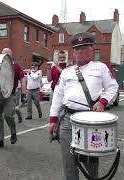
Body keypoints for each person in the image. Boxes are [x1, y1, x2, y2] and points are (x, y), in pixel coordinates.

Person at [48, 32, 118, 180]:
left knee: (90, 161)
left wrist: (102, 101)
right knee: (68, 161)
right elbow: (58, 97)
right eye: (77, 48)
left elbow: (113, 87)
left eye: (84, 48)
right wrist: (53, 119)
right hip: (67, 120)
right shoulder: (66, 72)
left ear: (91, 49)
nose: (80, 51)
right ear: (73, 51)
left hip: (90, 121)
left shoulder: (100, 67)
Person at [0, 47, 26, 149]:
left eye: (7, 54)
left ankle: (13, 132)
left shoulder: (16, 66)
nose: (5, 56)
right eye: (3, 54)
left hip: (10, 94)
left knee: (8, 115)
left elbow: (23, 80)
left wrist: (23, 94)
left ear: (11, 56)